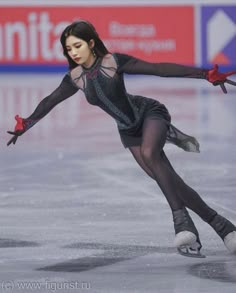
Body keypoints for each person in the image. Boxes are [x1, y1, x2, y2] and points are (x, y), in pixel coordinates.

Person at [7, 20, 236, 258]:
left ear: (91, 43)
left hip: (149, 114)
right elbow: (49, 102)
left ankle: (182, 223)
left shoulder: (112, 62)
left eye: (77, 45)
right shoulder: (75, 78)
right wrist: (27, 123)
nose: (73, 52)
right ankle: (224, 228)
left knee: (150, 155)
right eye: (68, 49)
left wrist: (204, 74)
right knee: (171, 182)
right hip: (128, 130)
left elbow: (159, 69)